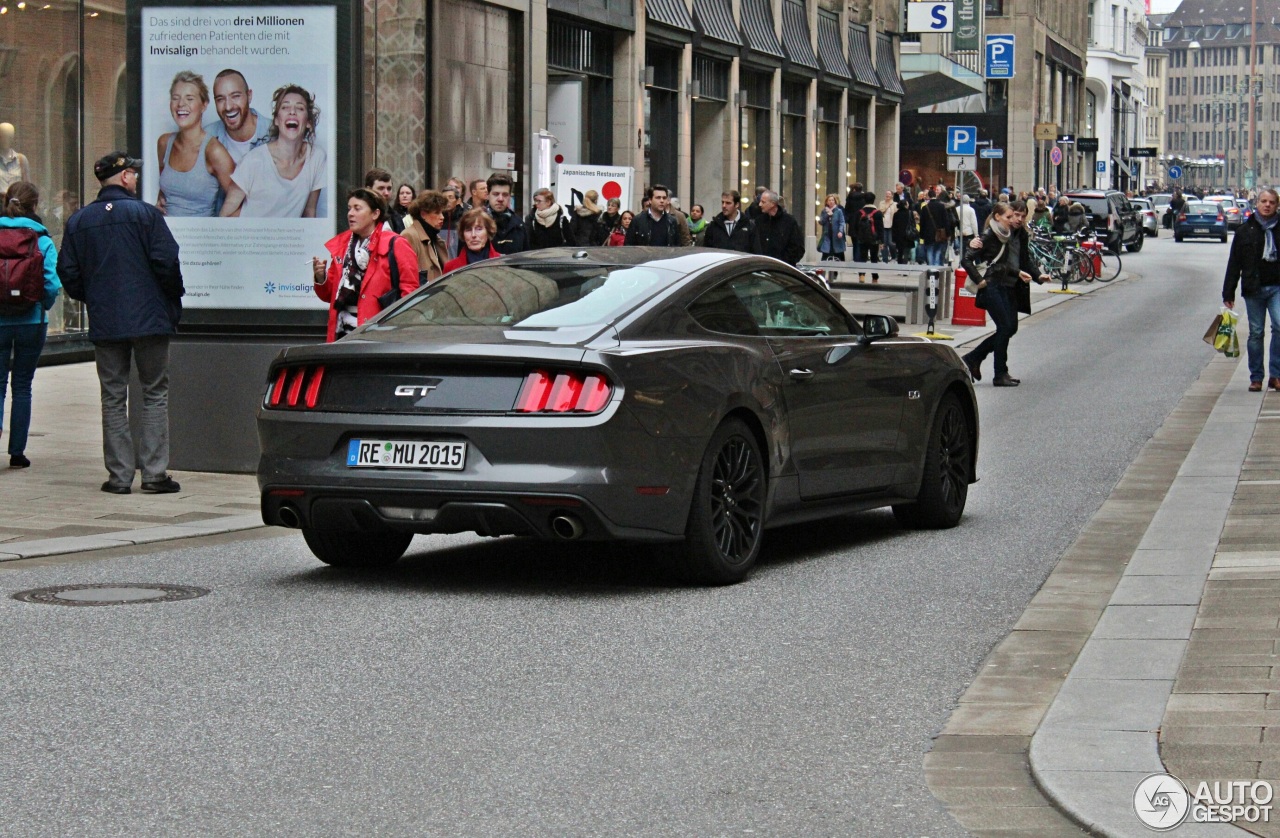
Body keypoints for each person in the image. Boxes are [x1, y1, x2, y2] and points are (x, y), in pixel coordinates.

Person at [57, 152, 184, 494]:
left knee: (113, 396)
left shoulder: (79, 221)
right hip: (150, 319)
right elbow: (167, 262)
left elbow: (67, 272)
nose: (136, 178)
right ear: (124, 177)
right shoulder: (146, 215)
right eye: (133, 173)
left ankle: (119, 477)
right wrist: (171, 300)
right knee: (155, 391)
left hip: (107, 320)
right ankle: (155, 474)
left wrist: (94, 297)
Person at [0, 182, 60, 468]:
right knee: (22, 385)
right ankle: (17, 453)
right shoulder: (42, 239)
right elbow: (51, 283)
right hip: (31, 322)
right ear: (35, 205)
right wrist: (41, 306)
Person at [312, 188, 419, 342]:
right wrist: (320, 277)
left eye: (357, 208)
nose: (350, 213)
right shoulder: (342, 246)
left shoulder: (395, 244)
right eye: (349, 208)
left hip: (379, 335)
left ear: (375, 214)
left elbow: (409, 293)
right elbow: (329, 295)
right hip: (342, 335)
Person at [960, 201, 1049, 388]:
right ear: (1001, 216)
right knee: (1005, 327)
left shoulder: (1017, 234)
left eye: (1022, 216)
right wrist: (979, 279)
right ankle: (999, 373)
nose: (1017, 219)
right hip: (993, 285)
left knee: (1010, 328)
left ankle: (974, 357)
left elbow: (1024, 259)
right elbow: (971, 258)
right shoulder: (995, 233)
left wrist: (1038, 275)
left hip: (1011, 286)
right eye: (1014, 215)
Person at [220, 84, 325, 218]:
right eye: (285, 107)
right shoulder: (252, 161)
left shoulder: (317, 157)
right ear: (276, 120)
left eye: (300, 108)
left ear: (308, 122)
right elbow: (225, 215)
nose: (292, 111)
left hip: (289, 238)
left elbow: (310, 212)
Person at [155, 71, 236, 217]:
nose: (181, 104)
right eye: (175, 98)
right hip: (164, 235)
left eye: (189, 98)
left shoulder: (213, 151)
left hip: (199, 237)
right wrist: (159, 205)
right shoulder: (164, 143)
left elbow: (239, 205)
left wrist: (219, 232)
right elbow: (166, 191)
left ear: (204, 105)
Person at [1223, 188, 1280, 392]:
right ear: (1257, 203)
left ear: (1276, 205)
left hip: (1277, 287)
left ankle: (1276, 375)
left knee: (1279, 326)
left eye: (1271, 202)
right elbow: (1234, 263)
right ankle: (1256, 377)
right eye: (1263, 201)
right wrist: (1228, 292)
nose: (1267, 205)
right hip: (1253, 288)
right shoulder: (1245, 231)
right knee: (1256, 332)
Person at [204, 69, 272, 164]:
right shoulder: (206, 138)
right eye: (220, 99)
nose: (228, 107)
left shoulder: (276, 133)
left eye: (235, 96)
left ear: (249, 96)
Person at [402, 189, 449, 284]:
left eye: (442, 212)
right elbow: (407, 278)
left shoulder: (434, 237)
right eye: (437, 212)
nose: (442, 217)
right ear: (423, 214)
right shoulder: (409, 235)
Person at [750, 190, 804, 266]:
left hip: (783, 268)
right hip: (762, 267)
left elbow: (797, 247)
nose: (760, 204)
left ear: (773, 204)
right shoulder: (759, 221)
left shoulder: (789, 222)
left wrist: (784, 261)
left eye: (763, 202)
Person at [443, 207, 502, 272]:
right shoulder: (450, 268)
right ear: (463, 234)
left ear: (488, 231)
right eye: (468, 230)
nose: (473, 235)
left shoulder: (503, 263)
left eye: (479, 229)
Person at [485, 172, 527, 254]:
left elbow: (525, 258)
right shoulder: (477, 223)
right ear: (488, 195)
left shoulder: (519, 224)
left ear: (509, 196)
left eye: (505, 195)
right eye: (496, 194)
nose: (500, 199)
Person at [920, 190, 953, 266]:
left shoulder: (925, 208)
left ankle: (930, 268)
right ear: (936, 196)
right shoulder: (941, 206)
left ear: (928, 196)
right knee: (938, 251)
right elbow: (946, 221)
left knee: (929, 251)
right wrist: (948, 233)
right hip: (940, 234)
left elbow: (922, 223)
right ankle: (936, 268)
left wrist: (922, 235)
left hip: (928, 234)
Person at [363, 169, 401, 233]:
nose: (386, 193)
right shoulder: (360, 216)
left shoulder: (396, 217)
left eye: (389, 188)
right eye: (381, 188)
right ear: (369, 190)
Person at [0, 123, 30, 195]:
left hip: (16, 203)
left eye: (9, 137)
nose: (6, 140)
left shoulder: (21, 160)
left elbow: (28, 187)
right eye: (3, 136)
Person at [891, 186, 918, 265]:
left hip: (899, 236)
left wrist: (894, 237)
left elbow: (894, 226)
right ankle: (905, 264)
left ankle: (900, 264)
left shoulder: (896, 214)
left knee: (900, 251)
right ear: (906, 205)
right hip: (908, 235)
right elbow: (913, 223)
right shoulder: (909, 213)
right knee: (906, 251)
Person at [818, 193, 846, 262]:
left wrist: (840, 231)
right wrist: (827, 215)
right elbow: (821, 222)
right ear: (827, 202)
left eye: (832, 200)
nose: (831, 202)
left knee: (837, 253)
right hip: (827, 234)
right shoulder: (824, 211)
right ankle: (823, 270)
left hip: (836, 235)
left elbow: (842, 222)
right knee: (826, 253)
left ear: (835, 201)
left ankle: (835, 271)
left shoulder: (838, 211)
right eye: (829, 200)